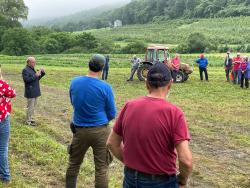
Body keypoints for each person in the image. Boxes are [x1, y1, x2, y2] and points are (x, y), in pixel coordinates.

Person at [107, 63, 193, 188]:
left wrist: (131, 164)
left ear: (146, 84)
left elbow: (111, 143)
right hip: (161, 181)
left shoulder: (129, 106)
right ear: (170, 84)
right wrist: (182, 180)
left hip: (130, 178)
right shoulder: (174, 113)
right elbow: (186, 160)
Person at [66, 54, 116, 188]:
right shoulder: (105, 87)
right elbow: (112, 113)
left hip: (79, 130)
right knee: (101, 168)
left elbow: (73, 102)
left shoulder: (74, 82)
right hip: (100, 131)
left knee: (73, 164)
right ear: (102, 68)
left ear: (89, 64)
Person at [0, 71, 16, 183]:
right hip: (2, 119)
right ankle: (5, 176)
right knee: (3, 148)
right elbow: (12, 93)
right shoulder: (2, 84)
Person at [22, 57, 45, 126]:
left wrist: (42, 73)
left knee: (33, 107)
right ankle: (28, 121)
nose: (34, 63)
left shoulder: (32, 69)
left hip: (35, 90)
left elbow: (36, 79)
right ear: (28, 62)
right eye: (33, 62)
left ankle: (31, 119)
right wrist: (35, 75)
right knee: (30, 107)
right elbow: (26, 80)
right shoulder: (25, 70)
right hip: (30, 91)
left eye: (35, 62)